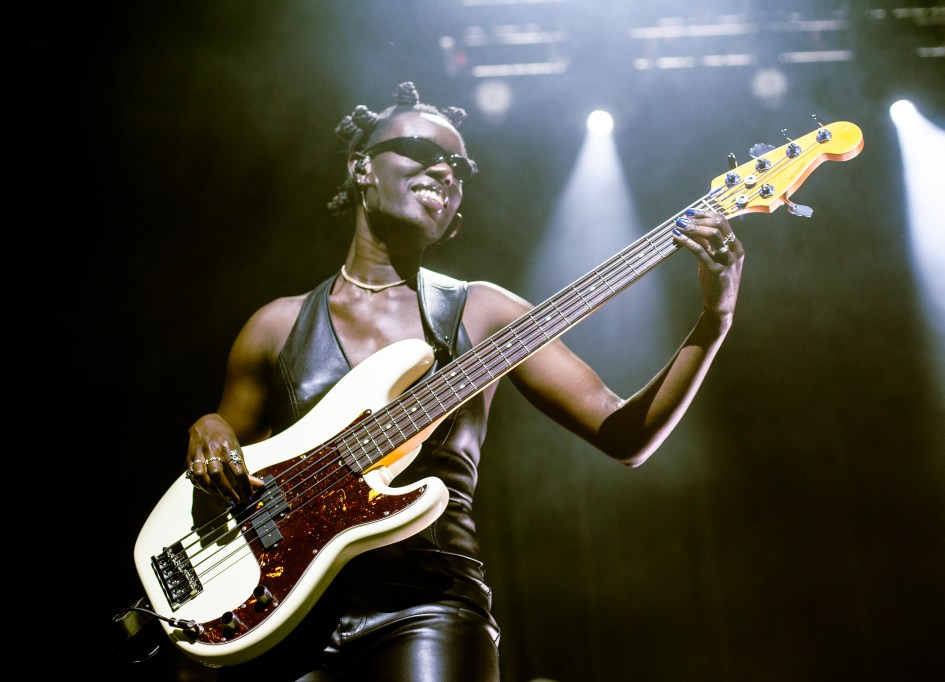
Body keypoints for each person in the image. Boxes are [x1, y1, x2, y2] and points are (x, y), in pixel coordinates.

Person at [182, 81, 743, 681]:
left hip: (427, 605)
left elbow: (624, 435)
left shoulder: (484, 313)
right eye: (422, 150)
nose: (445, 170)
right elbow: (225, 475)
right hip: (279, 608)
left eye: (459, 167)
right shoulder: (276, 326)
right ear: (361, 168)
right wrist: (208, 428)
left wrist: (715, 319)